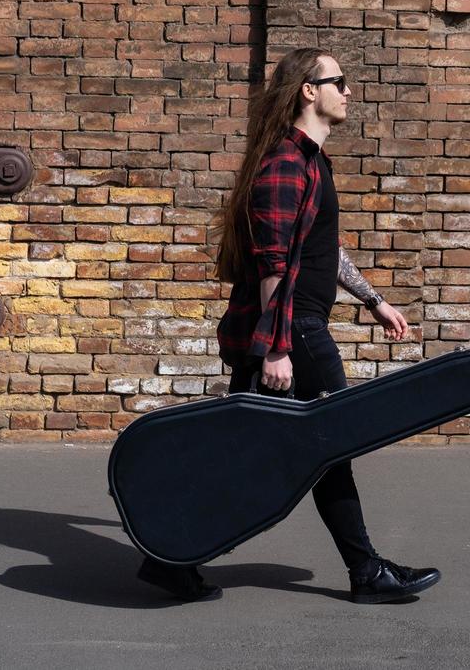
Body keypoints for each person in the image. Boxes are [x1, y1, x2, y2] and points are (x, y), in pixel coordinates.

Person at [135, 48, 441, 604]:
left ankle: (170, 560)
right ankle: (365, 571)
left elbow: (322, 249)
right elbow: (274, 266)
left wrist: (373, 300)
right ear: (308, 90)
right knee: (328, 447)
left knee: (249, 455)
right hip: (295, 331)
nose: (348, 91)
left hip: (296, 328)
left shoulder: (311, 163)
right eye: (339, 81)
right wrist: (278, 349)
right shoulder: (284, 165)